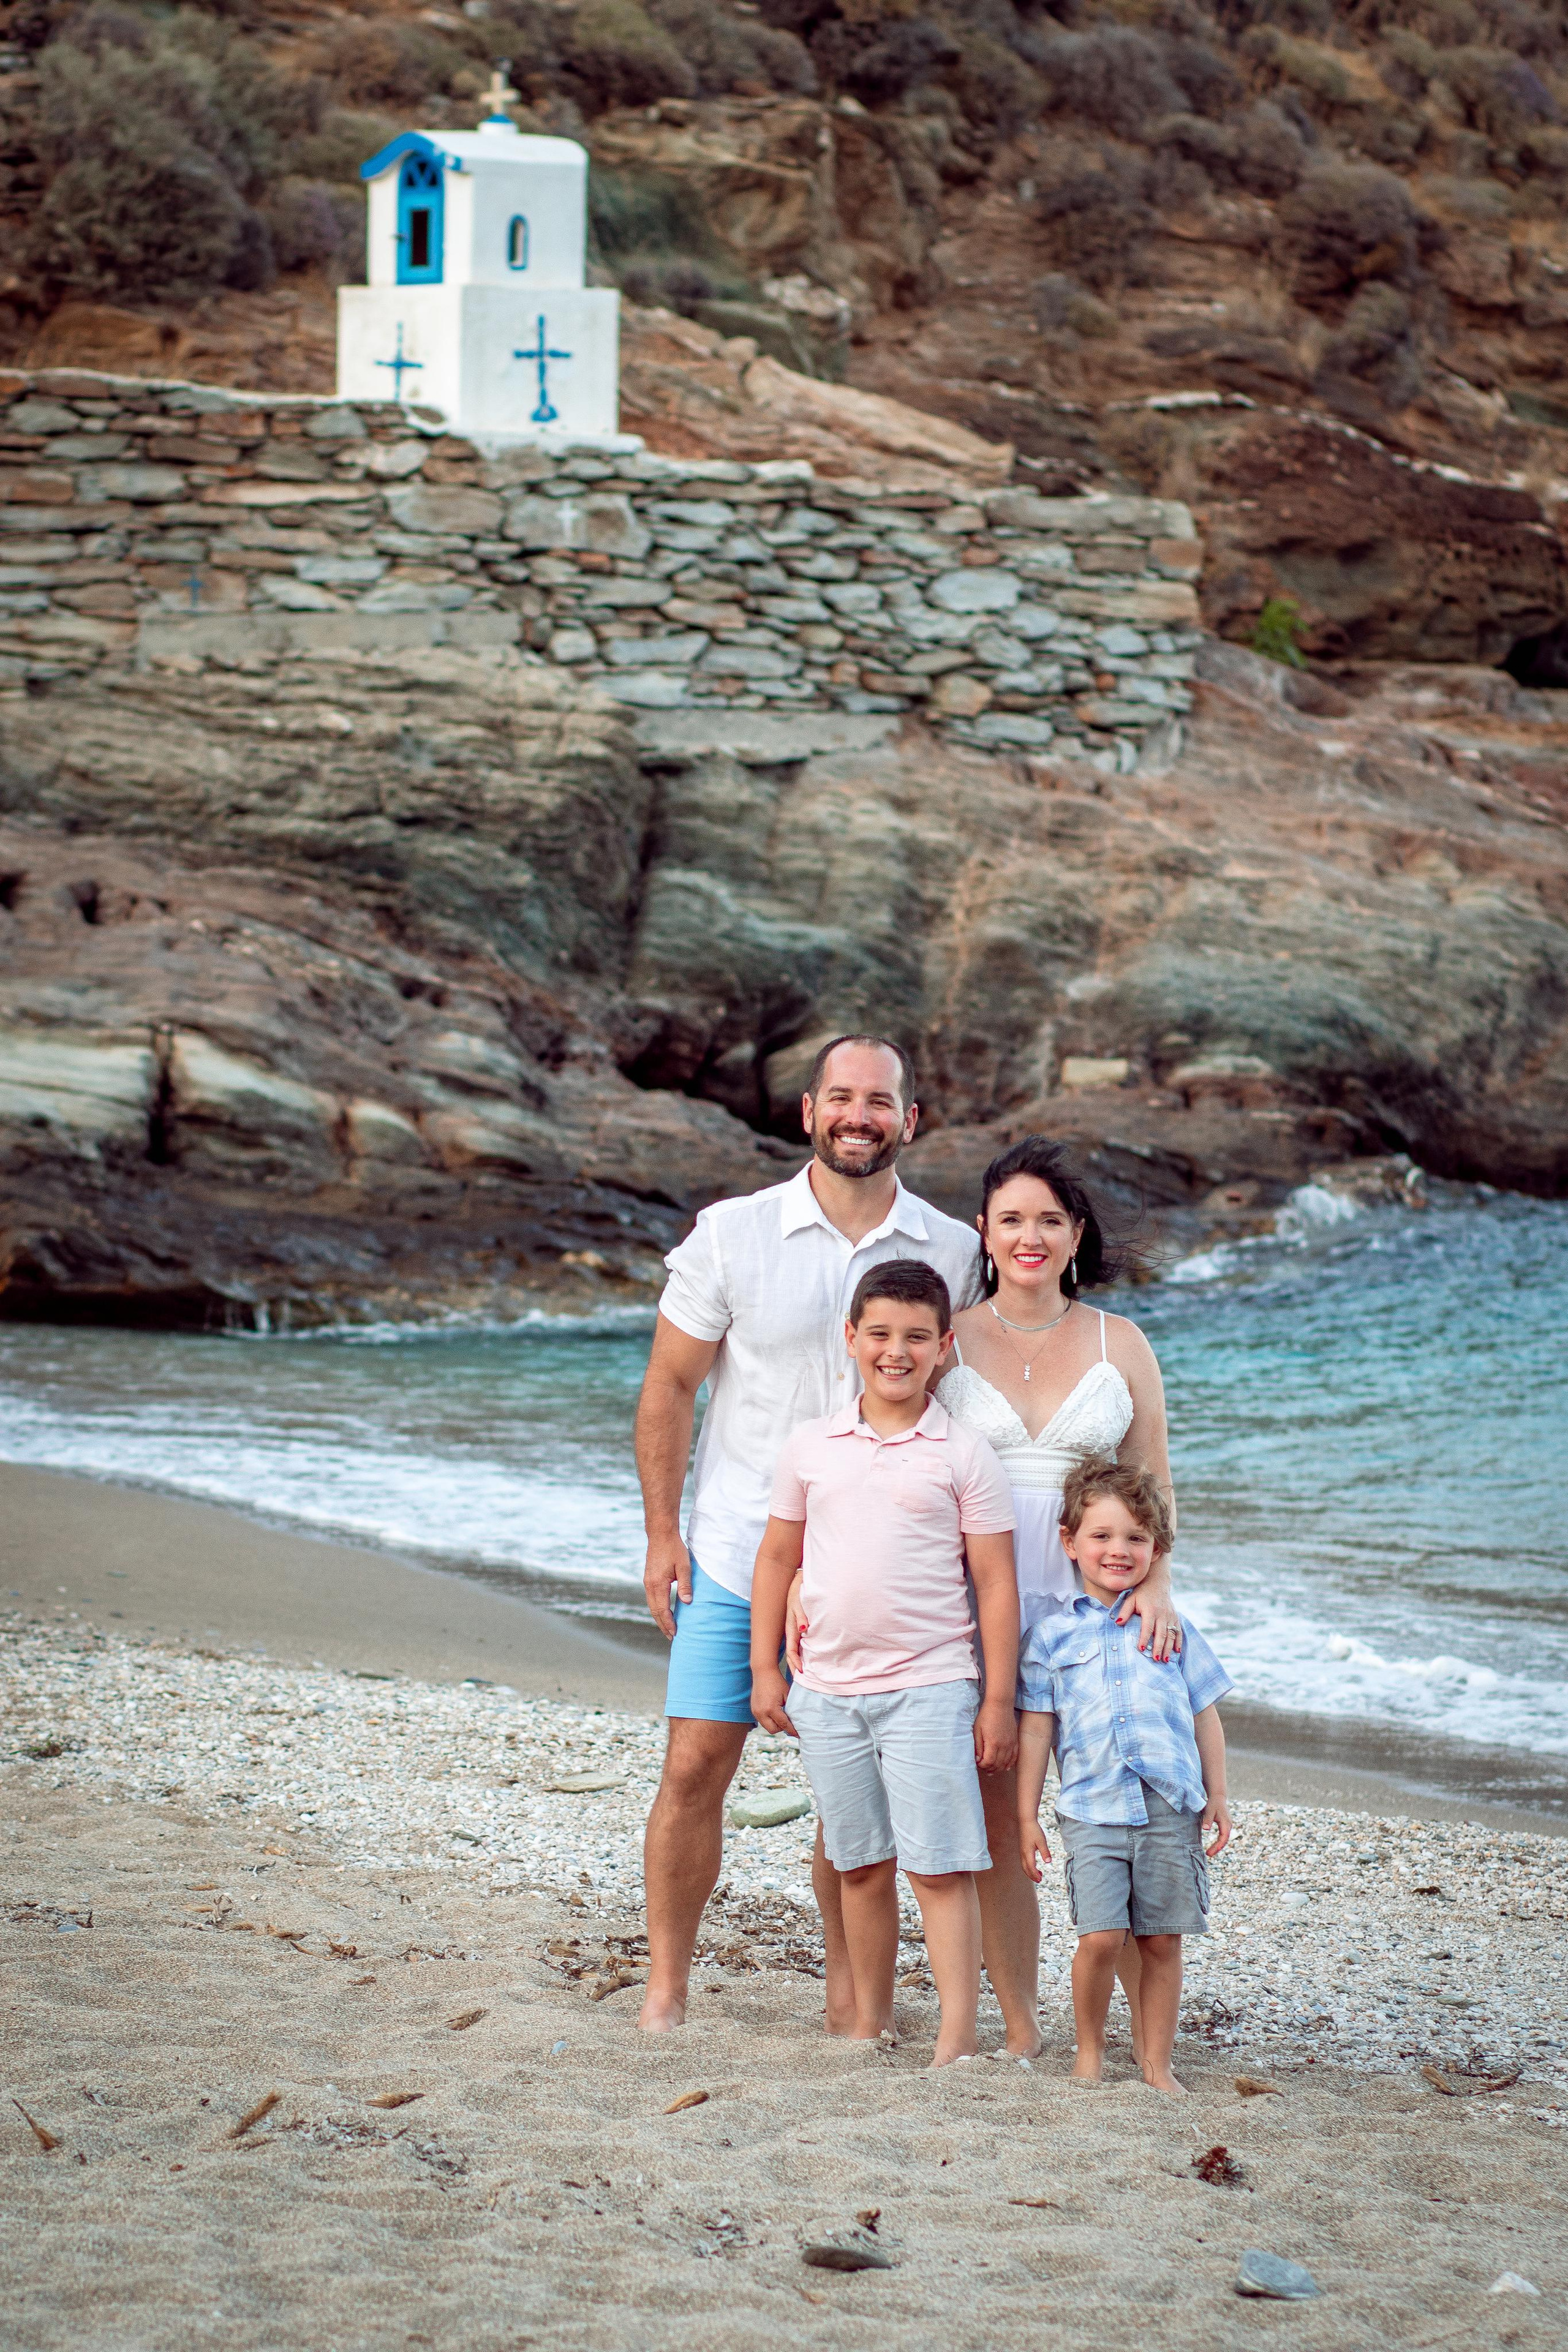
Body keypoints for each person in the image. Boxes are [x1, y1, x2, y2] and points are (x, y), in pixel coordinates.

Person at [633, 1033, 982, 2033]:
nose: (859, 1116)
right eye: (841, 1097)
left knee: (852, 1795)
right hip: (740, 1550)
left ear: (909, 1121)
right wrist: (665, 1536)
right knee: (697, 1763)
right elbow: (669, 1385)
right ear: (808, 1112)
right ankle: (666, 1988)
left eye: (880, 1101)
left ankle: (849, 1996)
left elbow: (978, 1407)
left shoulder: (953, 1252)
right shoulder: (731, 1234)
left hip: (884, 1578)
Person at [934, 1134, 1182, 2059]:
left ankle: (1125, 2030)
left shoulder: (1122, 1342)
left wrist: (1156, 1585)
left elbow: (1154, 1481)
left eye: (1049, 1219)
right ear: (984, 1234)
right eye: (1011, 1221)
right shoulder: (948, 1335)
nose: (1029, 1236)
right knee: (1005, 1820)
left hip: (1099, 1610)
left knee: (1110, 1810)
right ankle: (1022, 2025)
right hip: (973, 1605)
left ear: (1075, 1233)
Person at [750, 1261, 1019, 2065]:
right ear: (851, 1340)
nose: (894, 1352)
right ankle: (869, 2024)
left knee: (939, 1868)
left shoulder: (963, 1453)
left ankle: (956, 2038)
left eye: (914, 1338)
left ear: (943, 1348)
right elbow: (775, 1559)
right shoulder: (812, 1447)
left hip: (931, 1688)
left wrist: (996, 1700)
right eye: (879, 1335)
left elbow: (995, 1582)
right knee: (859, 1863)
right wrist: (768, 1670)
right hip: (828, 1692)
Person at [1017, 1455, 1232, 2095]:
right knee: (1102, 1936)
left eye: (1136, 1538)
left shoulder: (1171, 1627)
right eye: (1102, 1536)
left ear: (1157, 1548)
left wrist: (1217, 1795)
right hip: (1091, 1809)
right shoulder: (1050, 1638)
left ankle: (1156, 2065)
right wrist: (1025, 1813)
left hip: (1170, 1806)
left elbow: (1205, 1715)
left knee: (1163, 1940)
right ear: (1070, 1544)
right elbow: (1036, 1729)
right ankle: (1089, 2052)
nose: (1118, 1550)